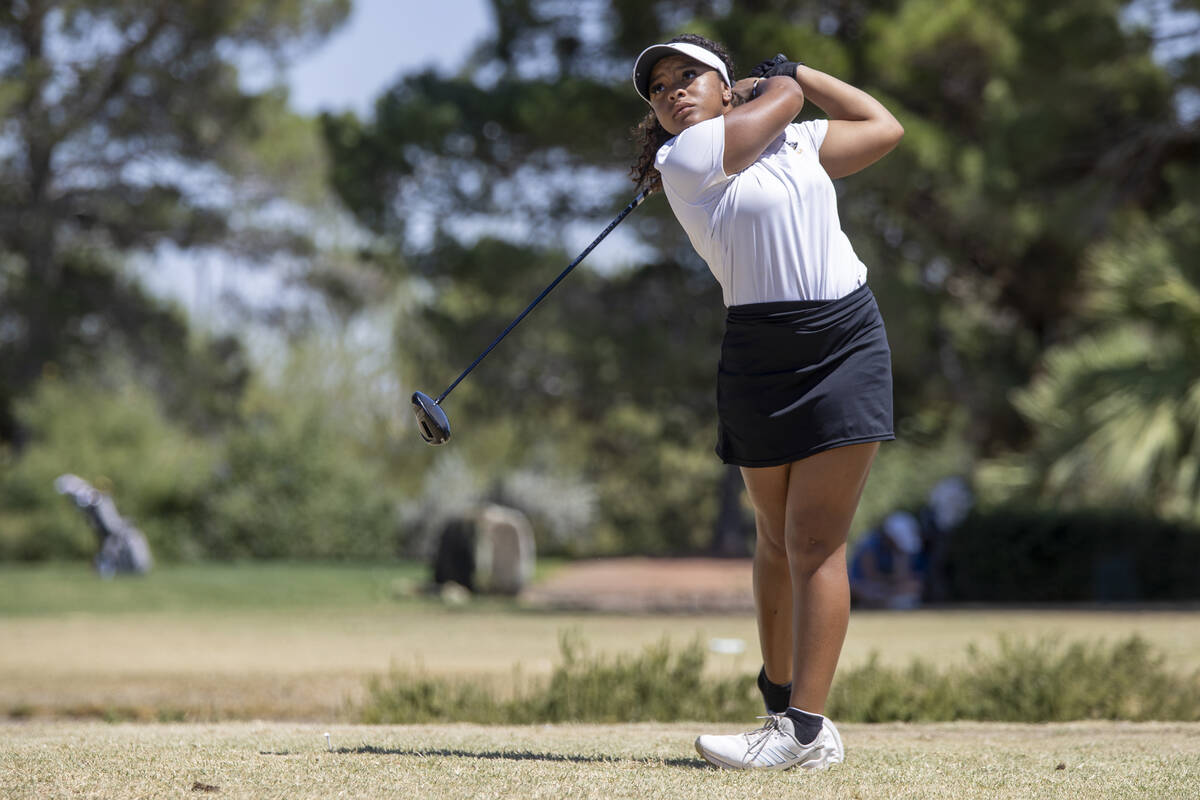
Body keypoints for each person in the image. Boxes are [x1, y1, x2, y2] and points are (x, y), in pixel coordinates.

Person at [630, 34, 904, 770]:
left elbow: (885, 127)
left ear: (724, 85)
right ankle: (779, 697)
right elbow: (782, 103)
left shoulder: (795, 143)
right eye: (660, 90)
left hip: (844, 340)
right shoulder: (683, 157)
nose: (673, 93)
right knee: (775, 540)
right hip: (758, 353)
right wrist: (780, 83)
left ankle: (806, 732)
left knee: (815, 543)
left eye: (689, 76)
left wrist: (803, 74)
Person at [848, 511, 925, 609]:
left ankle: (889, 602)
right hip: (865, 585)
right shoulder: (870, 544)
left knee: (915, 585)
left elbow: (902, 575)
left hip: (886, 587)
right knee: (870, 591)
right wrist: (893, 583)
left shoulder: (898, 550)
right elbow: (871, 576)